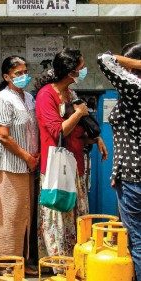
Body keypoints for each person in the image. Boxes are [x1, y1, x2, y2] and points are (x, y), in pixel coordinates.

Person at [34, 48, 108, 258]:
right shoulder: (46, 95)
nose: (83, 71)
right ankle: (58, 263)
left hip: (75, 164)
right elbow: (58, 130)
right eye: (81, 68)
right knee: (58, 215)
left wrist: (96, 138)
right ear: (70, 72)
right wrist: (78, 113)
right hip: (56, 167)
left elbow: (78, 129)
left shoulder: (70, 94)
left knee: (77, 216)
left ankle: (76, 260)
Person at [0, 56, 39, 275]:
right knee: (8, 216)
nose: (23, 76)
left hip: (28, 163)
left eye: (25, 71)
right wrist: (27, 156)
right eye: (18, 73)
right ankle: (5, 264)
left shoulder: (28, 97)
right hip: (8, 164)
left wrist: (32, 157)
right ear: (6, 76)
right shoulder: (2, 97)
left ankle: (20, 260)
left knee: (23, 213)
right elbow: (3, 136)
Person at [97, 42, 141, 280]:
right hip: (128, 174)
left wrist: (122, 61)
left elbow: (103, 59)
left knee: (137, 240)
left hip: (134, 177)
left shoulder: (136, 88)